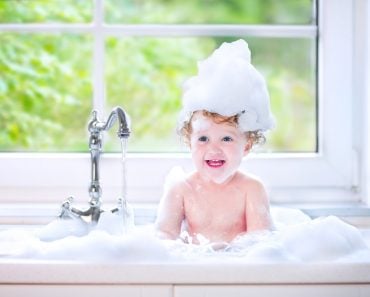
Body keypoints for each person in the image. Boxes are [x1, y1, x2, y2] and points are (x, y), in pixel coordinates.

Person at [155, 39, 275, 244]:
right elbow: (164, 238)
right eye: (203, 138)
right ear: (189, 142)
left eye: (227, 138)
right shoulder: (181, 189)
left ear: (246, 146)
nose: (214, 148)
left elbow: (260, 243)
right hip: (195, 268)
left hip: (236, 270)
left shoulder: (251, 189)